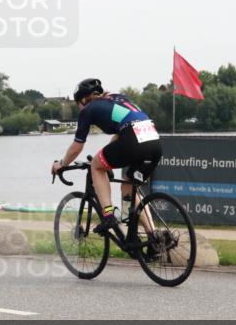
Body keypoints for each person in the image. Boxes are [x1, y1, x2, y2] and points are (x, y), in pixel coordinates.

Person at [50, 78, 162, 235]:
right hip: (154, 141)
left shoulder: (88, 109)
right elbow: (122, 131)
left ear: (82, 100)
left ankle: (108, 215)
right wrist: (107, 160)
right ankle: (154, 237)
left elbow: (77, 147)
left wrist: (61, 164)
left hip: (133, 140)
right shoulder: (117, 98)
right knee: (128, 188)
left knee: (96, 166)